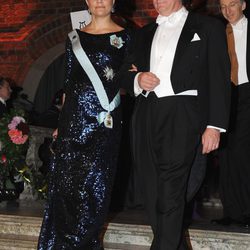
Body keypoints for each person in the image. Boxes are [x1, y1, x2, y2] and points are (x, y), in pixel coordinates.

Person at [116, 0, 231, 249]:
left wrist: (214, 126)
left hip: (183, 114)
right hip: (146, 113)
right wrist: (137, 78)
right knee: (152, 192)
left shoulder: (208, 27)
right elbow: (123, 72)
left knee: (171, 194)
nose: (158, 1)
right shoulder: (144, 33)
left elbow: (219, 78)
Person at [37, 0, 133, 249]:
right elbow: (69, 82)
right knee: (67, 187)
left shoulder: (127, 36)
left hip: (105, 123)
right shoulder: (74, 37)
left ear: (114, 1)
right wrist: (61, 122)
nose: (99, 1)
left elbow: (131, 77)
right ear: (88, 2)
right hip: (74, 121)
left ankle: (85, 244)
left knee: (97, 187)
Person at [212, 0, 250, 228]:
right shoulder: (216, 31)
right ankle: (231, 211)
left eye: (232, 4)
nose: (228, 10)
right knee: (225, 155)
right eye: (223, 5)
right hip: (226, 95)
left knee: (243, 154)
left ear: (243, 5)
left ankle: (246, 210)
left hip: (248, 92)